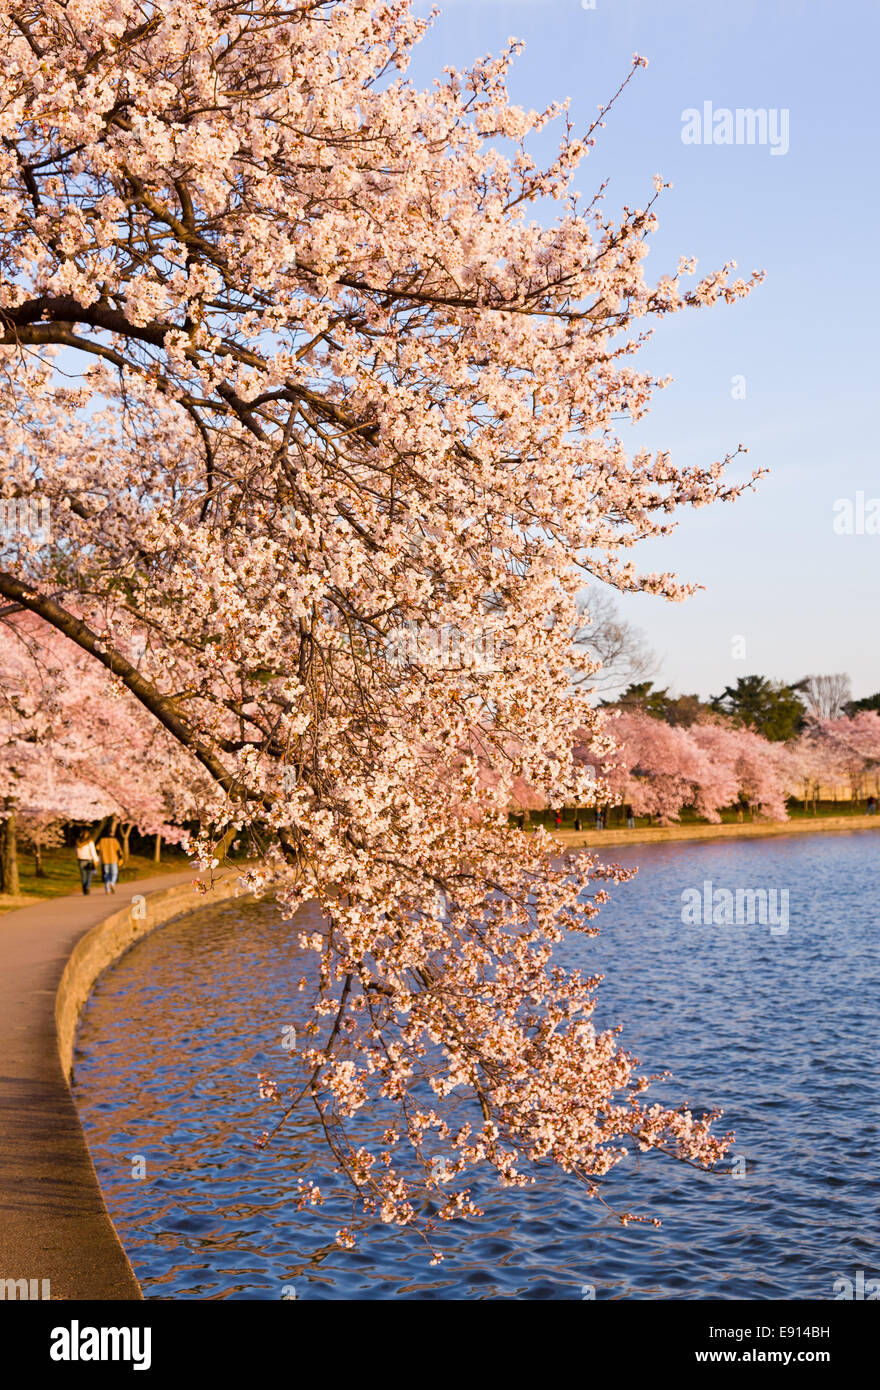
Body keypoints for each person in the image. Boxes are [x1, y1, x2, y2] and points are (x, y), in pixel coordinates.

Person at [97, 825, 123, 894]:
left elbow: (97, 849)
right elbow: (118, 850)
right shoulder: (114, 840)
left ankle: (107, 890)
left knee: (106, 874)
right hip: (113, 859)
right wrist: (120, 858)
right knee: (114, 873)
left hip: (105, 860)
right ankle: (112, 883)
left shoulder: (102, 840)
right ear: (111, 833)